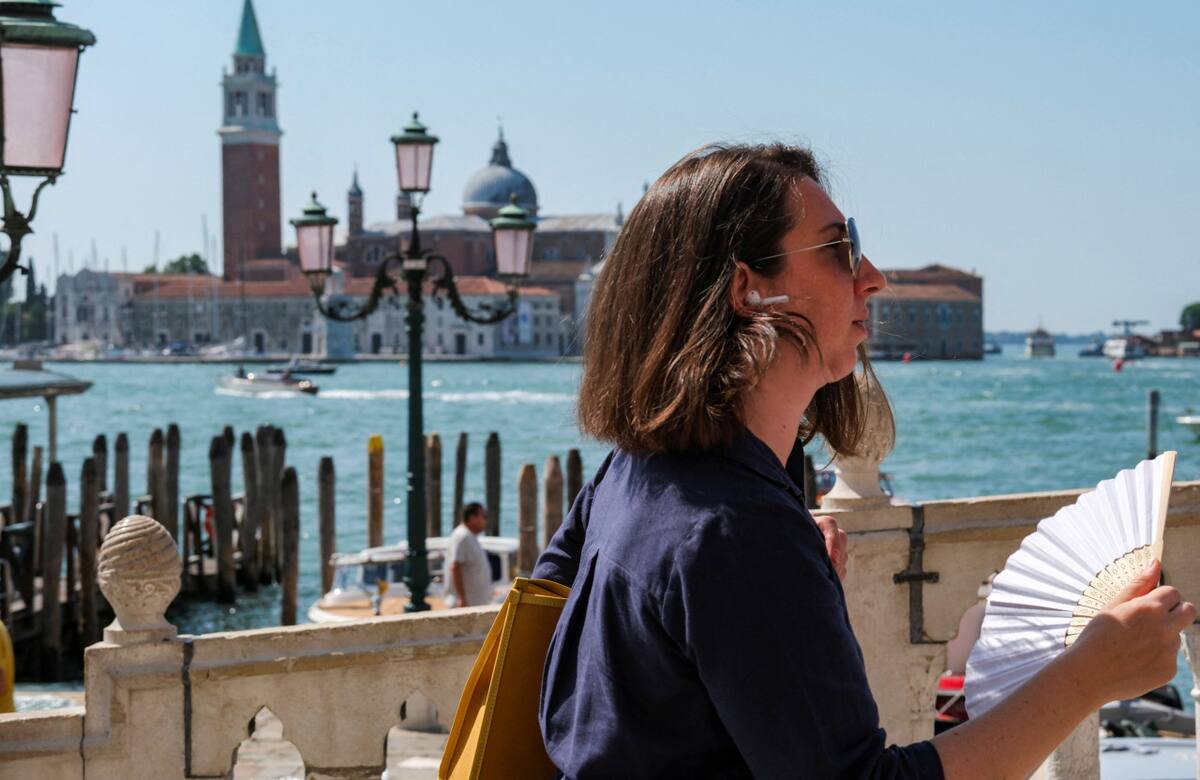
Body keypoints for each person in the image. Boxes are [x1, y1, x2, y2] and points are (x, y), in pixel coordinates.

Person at [532, 143, 1195, 778]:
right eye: (839, 248)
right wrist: (1085, 677)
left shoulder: (632, 472)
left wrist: (771, 591)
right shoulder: (735, 528)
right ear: (745, 290)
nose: (873, 278)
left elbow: (564, 627)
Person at [445, 502, 493, 608]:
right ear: (472, 518)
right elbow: (455, 567)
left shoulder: (470, 536)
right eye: (483, 516)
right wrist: (462, 598)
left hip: (475, 603)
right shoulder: (462, 536)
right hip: (467, 604)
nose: (485, 520)